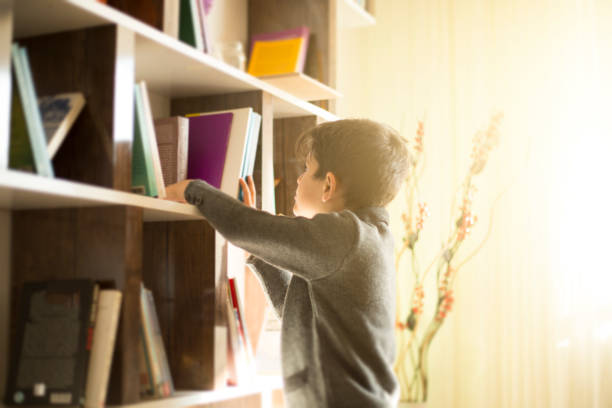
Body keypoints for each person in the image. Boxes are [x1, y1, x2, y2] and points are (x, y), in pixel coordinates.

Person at [165, 118, 410, 407]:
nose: (299, 178)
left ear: (328, 185)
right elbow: (293, 310)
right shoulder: (368, 238)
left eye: (306, 169)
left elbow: (246, 228)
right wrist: (255, 251)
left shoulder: (345, 235)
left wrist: (193, 189)